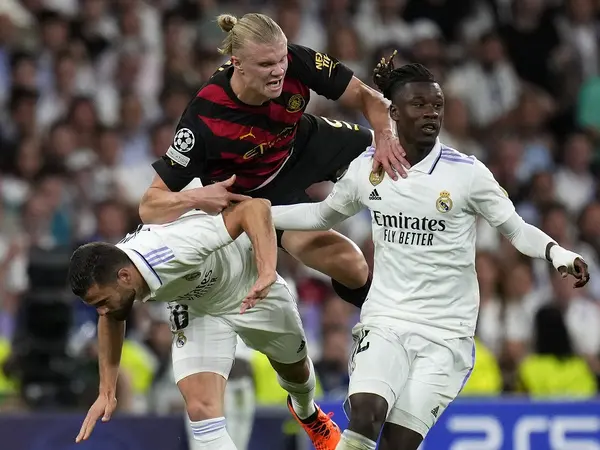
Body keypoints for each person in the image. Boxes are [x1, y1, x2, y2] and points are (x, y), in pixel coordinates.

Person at [269, 60, 590, 450]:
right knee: (366, 413)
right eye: (419, 105)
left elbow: (517, 229)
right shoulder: (369, 168)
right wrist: (259, 212)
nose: (431, 114)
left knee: (398, 444)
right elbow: (321, 215)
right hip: (386, 319)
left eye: (437, 105)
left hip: (446, 334)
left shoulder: (467, 174)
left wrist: (556, 252)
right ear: (393, 112)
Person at [139, 13, 410, 310]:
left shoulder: (295, 59)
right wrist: (198, 196)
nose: (279, 71)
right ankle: (383, 317)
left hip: (303, 141)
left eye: (281, 60)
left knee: (402, 152)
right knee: (351, 266)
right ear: (237, 63)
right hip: (263, 195)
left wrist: (385, 136)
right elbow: (150, 205)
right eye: (266, 64)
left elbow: (367, 97)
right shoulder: (203, 118)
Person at [68, 200, 341, 450]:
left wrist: (267, 270)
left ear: (125, 276)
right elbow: (111, 317)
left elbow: (255, 208)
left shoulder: (176, 248)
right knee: (201, 409)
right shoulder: (118, 277)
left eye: (102, 301)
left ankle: (307, 413)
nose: (101, 311)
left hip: (246, 287)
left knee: (295, 371)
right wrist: (106, 391)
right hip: (196, 306)